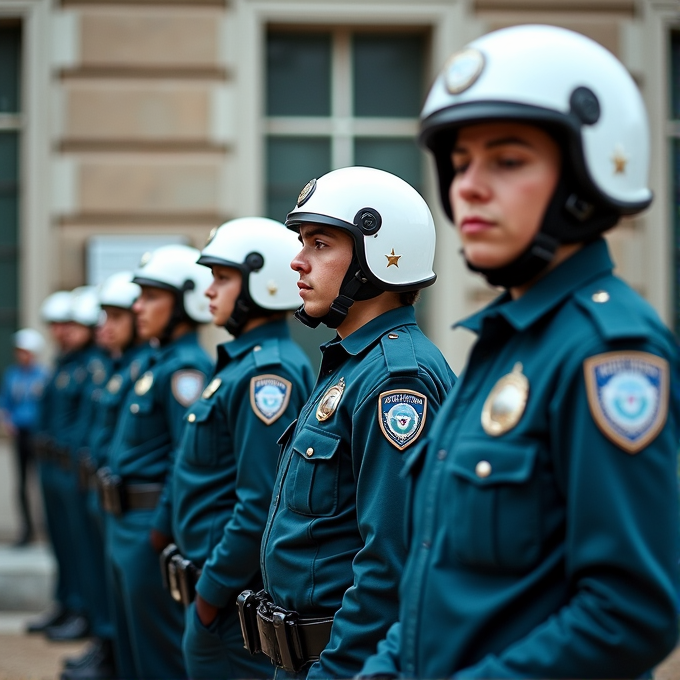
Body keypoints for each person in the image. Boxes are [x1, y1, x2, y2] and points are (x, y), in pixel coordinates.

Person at [359, 25, 680, 679]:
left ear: (585, 178)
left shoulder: (609, 352)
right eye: (460, 162)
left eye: (507, 161)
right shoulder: (503, 346)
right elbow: (432, 586)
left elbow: (629, 614)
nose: (468, 186)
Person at [245, 166, 456, 679]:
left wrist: (335, 671)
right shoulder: (353, 366)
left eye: (319, 244)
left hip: (341, 663)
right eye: (302, 242)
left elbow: (390, 562)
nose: (296, 261)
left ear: (377, 258)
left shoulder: (394, 378)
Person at [160, 218, 315, 679]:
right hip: (216, 594)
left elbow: (259, 502)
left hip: (228, 602)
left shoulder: (267, 374)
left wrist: (210, 597)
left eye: (223, 278)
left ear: (263, 284)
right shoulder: (241, 365)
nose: (209, 291)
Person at [103, 245, 213, 680]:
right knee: (133, 654)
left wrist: (157, 533)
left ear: (185, 300)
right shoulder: (160, 361)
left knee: (158, 660)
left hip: (148, 524)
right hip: (126, 520)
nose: (138, 306)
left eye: (151, 296)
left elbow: (183, 458)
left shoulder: (187, 368)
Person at [61, 272, 145, 680]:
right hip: (104, 491)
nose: (103, 328)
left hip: (134, 507)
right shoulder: (121, 367)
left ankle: (109, 647)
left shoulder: (153, 369)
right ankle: (105, 642)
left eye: (115, 317)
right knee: (102, 579)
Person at [0, 328, 48, 546]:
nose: (22, 355)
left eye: (25, 351)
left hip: (38, 436)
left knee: (44, 481)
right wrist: (7, 420)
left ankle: (46, 528)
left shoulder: (43, 376)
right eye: (19, 351)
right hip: (20, 434)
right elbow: (6, 403)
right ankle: (26, 530)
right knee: (21, 484)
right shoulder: (12, 375)